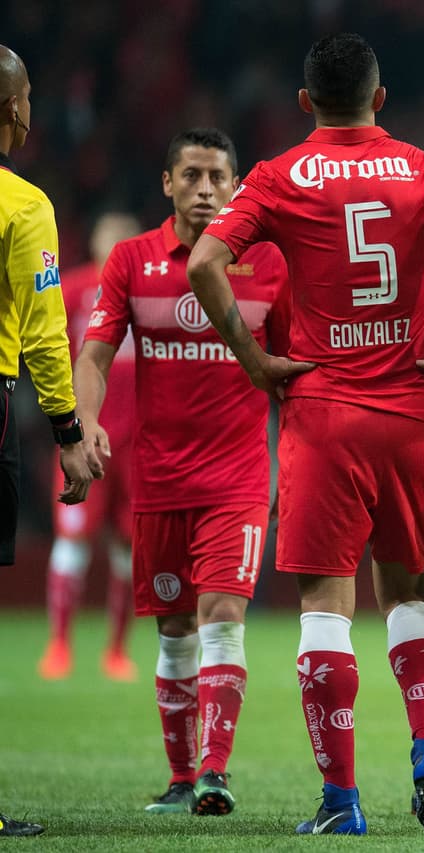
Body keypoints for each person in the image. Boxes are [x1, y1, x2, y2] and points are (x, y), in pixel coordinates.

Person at [189, 33, 424, 836]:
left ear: (305, 102)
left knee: (325, 609)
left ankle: (342, 804)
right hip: (410, 409)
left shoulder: (277, 176)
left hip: (322, 411)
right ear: (379, 99)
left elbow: (204, 262)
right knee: (407, 594)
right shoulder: (422, 164)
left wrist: (256, 358)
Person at [77, 128, 289, 817]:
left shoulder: (268, 263)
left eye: (217, 176)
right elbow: (96, 353)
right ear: (167, 183)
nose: (205, 188)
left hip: (238, 481)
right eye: (191, 175)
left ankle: (214, 772)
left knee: (222, 617)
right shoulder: (132, 261)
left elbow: (296, 369)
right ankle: (179, 776)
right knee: (174, 631)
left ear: (235, 186)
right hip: (160, 481)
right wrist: (81, 423)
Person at [0, 41, 101, 840]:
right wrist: (69, 430)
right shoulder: (24, 204)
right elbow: (42, 333)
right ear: (13, 108)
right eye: (29, 92)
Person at [38, 212, 142, 683]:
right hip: (84, 435)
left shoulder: (150, 287)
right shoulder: (75, 287)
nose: (116, 243)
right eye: (109, 235)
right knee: (73, 541)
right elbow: (49, 349)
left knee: (127, 547)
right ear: (98, 241)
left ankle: (116, 652)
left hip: (140, 442)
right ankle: (59, 646)